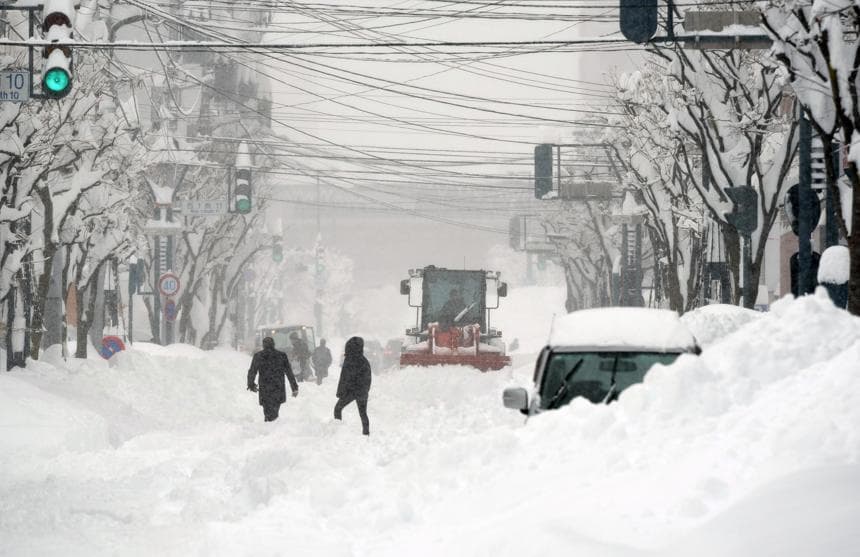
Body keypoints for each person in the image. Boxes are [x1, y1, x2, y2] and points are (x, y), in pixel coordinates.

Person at [247, 336, 298, 422]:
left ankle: (268, 422)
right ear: (273, 344)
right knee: (275, 408)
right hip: (278, 387)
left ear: (263, 345)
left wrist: (251, 384)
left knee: (266, 409)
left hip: (265, 387)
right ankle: (272, 424)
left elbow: (252, 371)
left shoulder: (258, 356)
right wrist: (294, 387)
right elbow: (289, 373)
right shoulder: (282, 355)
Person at [334, 336, 371, 435]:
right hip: (361, 392)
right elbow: (368, 379)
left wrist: (341, 392)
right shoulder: (364, 361)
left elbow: (344, 378)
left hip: (350, 391)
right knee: (363, 413)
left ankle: (337, 431)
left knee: (337, 409)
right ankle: (366, 433)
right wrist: (365, 391)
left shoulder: (349, 360)